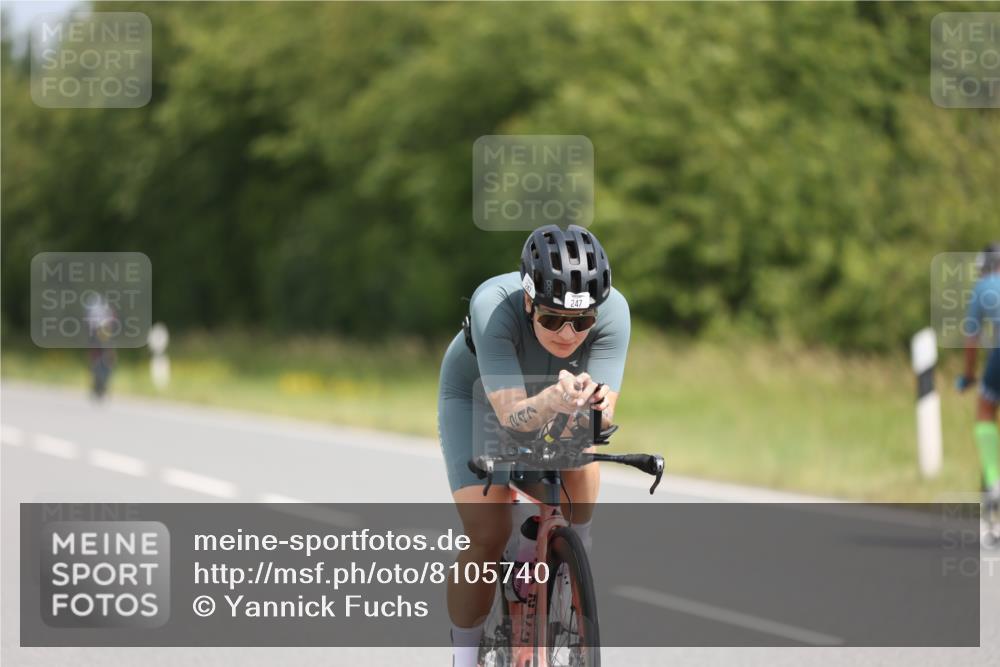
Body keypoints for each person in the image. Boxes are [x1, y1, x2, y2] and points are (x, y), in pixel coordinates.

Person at [437, 224, 629, 666]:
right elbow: (514, 420)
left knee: (581, 447)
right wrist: (552, 399)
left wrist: (587, 408)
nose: (567, 334)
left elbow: (602, 416)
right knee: (488, 533)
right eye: (550, 319)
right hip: (478, 398)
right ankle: (463, 658)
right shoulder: (493, 307)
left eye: (582, 322)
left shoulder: (615, 311)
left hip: (555, 393)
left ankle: (572, 548)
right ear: (528, 302)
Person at [957, 242, 1000, 510]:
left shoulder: (983, 287)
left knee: (985, 409)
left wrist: (968, 375)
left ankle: (995, 482)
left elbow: (971, 340)